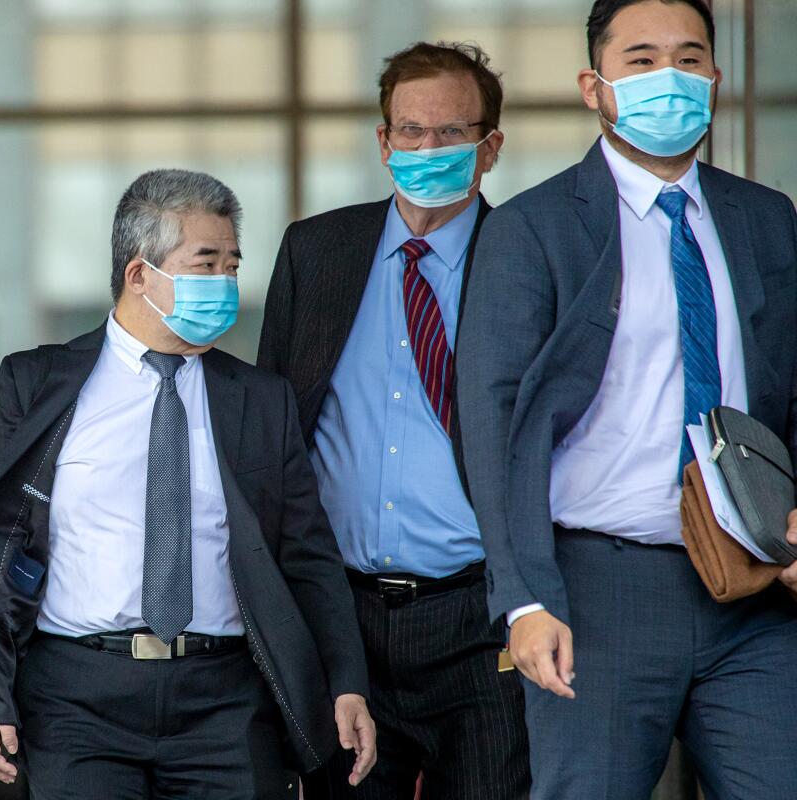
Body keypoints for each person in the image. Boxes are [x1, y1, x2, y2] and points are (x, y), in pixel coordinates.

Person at [0, 169, 376, 799]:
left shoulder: (259, 400)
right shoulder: (38, 385)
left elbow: (306, 554)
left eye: (232, 264)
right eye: (205, 264)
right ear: (139, 274)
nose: (225, 283)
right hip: (77, 697)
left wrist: (346, 680)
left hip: (225, 701)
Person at [456, 1, 797, 798]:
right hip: (600, 588)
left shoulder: (766, 220)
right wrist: (524, 599)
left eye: (688, 58)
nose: (668, 79)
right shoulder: (533, 229)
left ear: (715, 78)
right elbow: (492, 423)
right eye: (641, 61)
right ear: (594, 86)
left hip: (757, 585)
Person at [258, 42, 529, 799]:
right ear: (384, 142)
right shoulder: (317, 252)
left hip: (480, 621)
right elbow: (274, 430)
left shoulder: (528, 256)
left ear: (490, 146)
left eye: (451, 133)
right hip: (343, 622)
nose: (427, 148)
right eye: (409, 132)